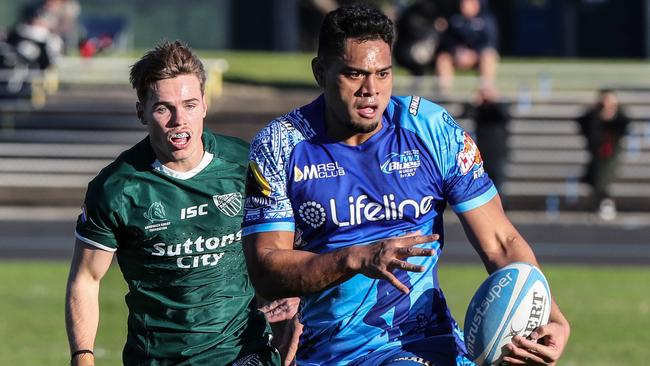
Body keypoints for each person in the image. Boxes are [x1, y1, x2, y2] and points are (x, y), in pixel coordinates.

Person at [242, 4, 570, 366]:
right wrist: (355, 258)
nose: (371, 90)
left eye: (383, 74)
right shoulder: (280, 145)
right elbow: (266, 270)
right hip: (328, 352)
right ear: (321, 72)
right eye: (354, 74)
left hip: (426, 343)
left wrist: (550, 316)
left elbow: (501, 242)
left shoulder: (431, 129)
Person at [65, 40, 280, 366]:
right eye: (164, 108)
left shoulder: (245, 163)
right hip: (159, 358)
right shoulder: (117, 188)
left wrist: (293, 302)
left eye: (190, 105)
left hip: (244, 352)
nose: (179, 120)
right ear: (142, 112)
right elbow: (85, 278)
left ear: (205, 105)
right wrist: (83, 357)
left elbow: (281, 241)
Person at [577, 89, 630, 220]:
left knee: (604, 172)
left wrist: (612, 113)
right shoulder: (594, 117)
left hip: (611, 155)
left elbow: (623, 127)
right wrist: (597, 114)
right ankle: (602, 202)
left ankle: (604, 201)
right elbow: (583, 124)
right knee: (597, 172)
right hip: (597, 155)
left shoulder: (620, 118)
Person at [435, 0, 499, 92]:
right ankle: (444, 95)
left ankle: (486, 94)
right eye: (463, 2)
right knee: (443, 58)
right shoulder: (453, 19)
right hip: (456, 56)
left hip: (477, 57)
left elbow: (490, 43)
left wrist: (474, 54)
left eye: (467, 3)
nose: (463, 5)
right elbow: (446, 41)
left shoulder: (487, 20)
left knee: (489, 57)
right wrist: (455, 51)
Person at [465, 86, 510, 194]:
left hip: (498, 154)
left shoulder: (499, 110)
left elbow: (504, 115)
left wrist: (494, 100)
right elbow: (466, 114)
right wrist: (476, 102)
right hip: (481, 154)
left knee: (498, 187)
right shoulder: (479, 110)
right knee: (482, 188)